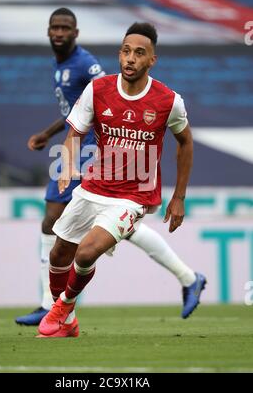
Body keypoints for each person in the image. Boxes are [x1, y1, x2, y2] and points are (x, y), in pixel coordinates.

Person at [37, 22, 207, 338]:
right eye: (126, 51)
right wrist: (68, 163)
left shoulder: (168, 101)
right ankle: (68, 320)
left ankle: (61, 309)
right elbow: (75, 132)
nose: (130, 59)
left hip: (135, 195)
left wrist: (179, 196)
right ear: (120, 54)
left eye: (139, 53)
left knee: (86, 253)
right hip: (94, 186)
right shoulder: (98, 90)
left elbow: (185, 142)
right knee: (59, 253)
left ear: (151, 60)